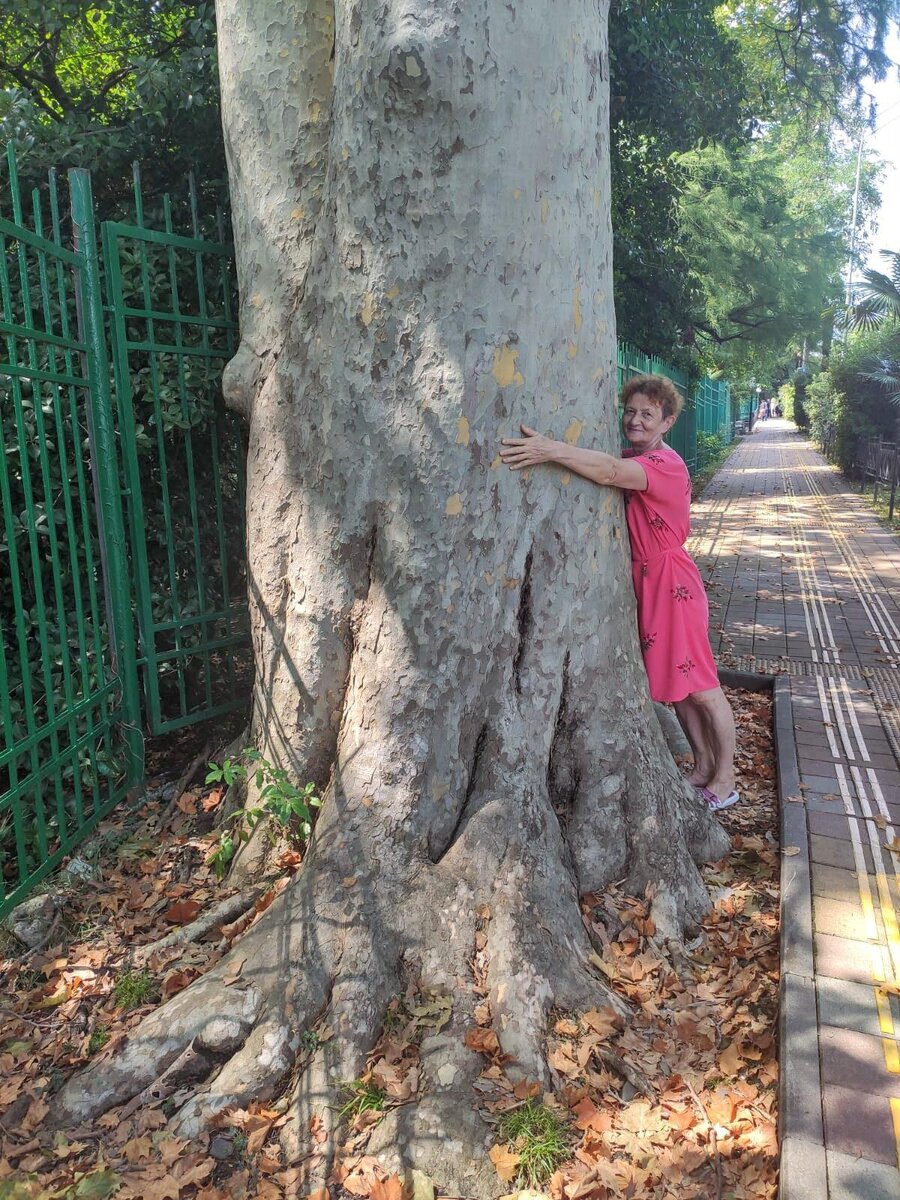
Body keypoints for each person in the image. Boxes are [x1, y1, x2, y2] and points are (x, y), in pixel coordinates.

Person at [499, 374, 738, 811]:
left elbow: (609, 471)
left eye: (648, 414)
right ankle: (703, 765)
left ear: (667, 422)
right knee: (675, 689)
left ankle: (725, 779)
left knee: (702, 687)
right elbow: (610, 462)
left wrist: (548, 449)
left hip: (672, 584)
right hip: (648, 582)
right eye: (630, 411)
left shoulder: (664, 465)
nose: (636, 420)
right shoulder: (638, 456)